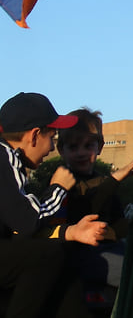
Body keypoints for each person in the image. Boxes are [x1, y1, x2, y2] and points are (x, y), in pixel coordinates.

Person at [0, 92, 108, 317]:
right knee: (48, 254)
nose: (51, 149)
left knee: (59, 268)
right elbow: (27, 222)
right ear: (34, 135)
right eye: (53, 137)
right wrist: (58, 188)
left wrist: (69, 232)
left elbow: (18, 230)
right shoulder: (6, 158)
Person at [55, 108, 133, 293]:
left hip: (111, 247)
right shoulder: (63, 181)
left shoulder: (101, 179)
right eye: (73, 147)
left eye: (88, 146)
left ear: (100, 147)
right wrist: (114, 180)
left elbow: (118, 220)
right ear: (61, 150)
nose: (81, 153)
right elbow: (86, 211)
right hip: (80, 255)